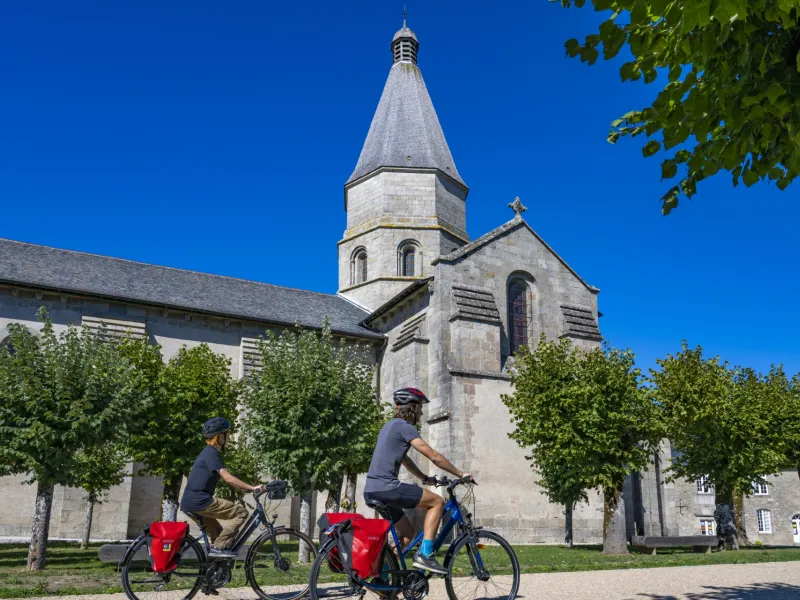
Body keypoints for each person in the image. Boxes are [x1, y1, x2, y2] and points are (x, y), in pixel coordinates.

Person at [364, 388, 473, 575]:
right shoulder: (405, 427)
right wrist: (460, 473)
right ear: (412, 408)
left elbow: (404, 460)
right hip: (387, 487)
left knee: (407, 534)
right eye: (420, 408)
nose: (422, 413)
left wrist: (424, 478)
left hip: (372, 490)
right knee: (437, 502)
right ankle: (426, 555)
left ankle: (379, 573)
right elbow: (434, 456)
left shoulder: (389, 426)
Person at [180, 417, 265, 557]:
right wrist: (252, 488)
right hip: (201, 501)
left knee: (220, 537)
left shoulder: (209, 452)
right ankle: (218, 548)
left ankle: (214, 573)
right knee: (241, 513)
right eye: (227, 433)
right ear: (219, 436)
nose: (229, 436)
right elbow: (228, 478)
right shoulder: (211, 453)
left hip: (191, 502)